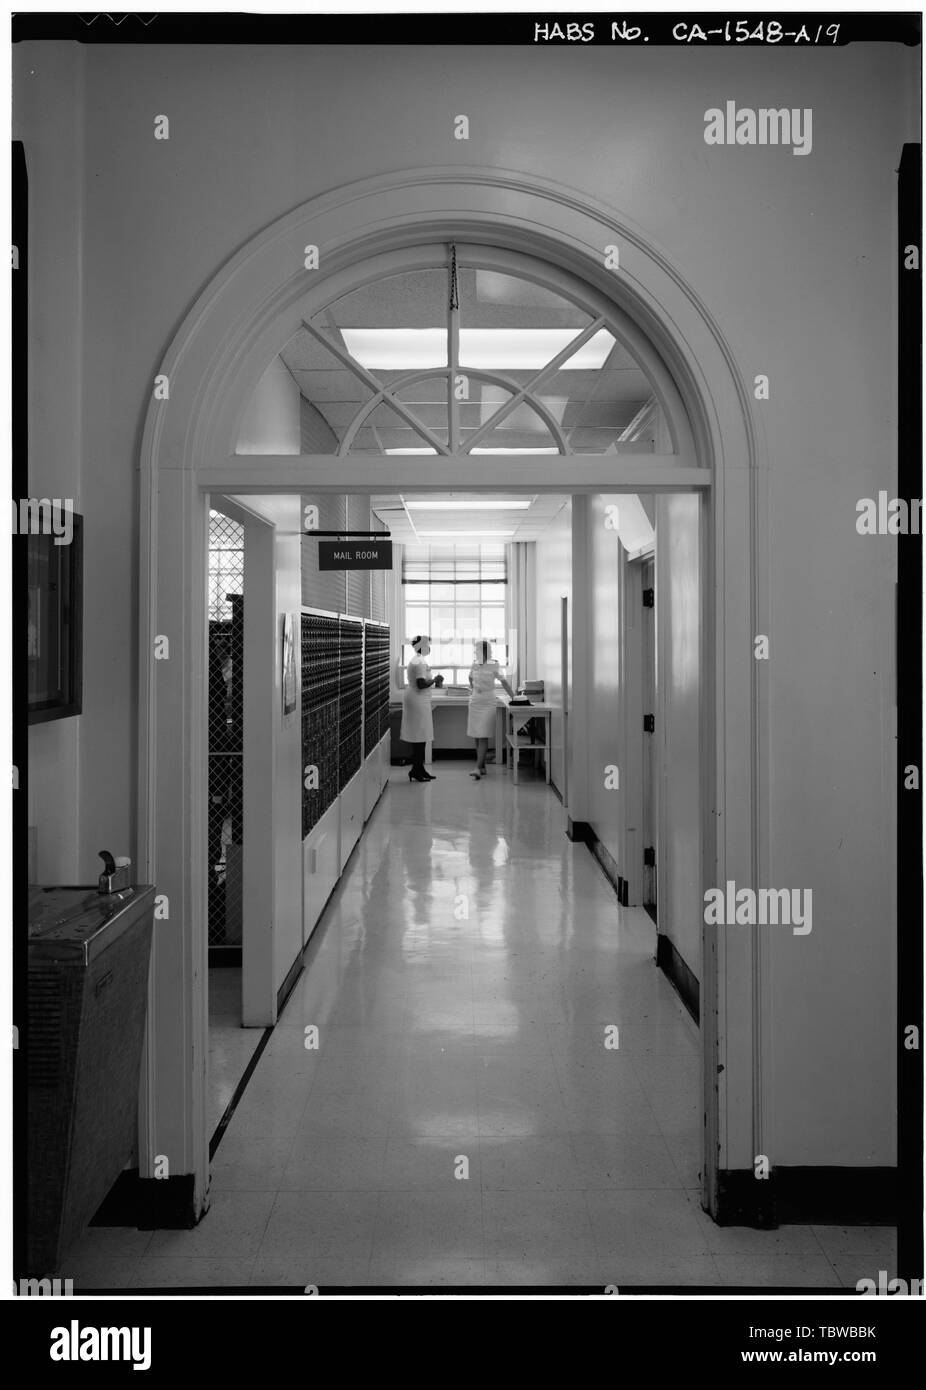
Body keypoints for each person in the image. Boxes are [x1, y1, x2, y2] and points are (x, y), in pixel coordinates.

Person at [467, 639, 514, 778]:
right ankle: (482, 766)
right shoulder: (474, 664)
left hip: (488, 703)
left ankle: (477, 767)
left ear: (485, 651)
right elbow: (470, 678)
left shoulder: (494, 664)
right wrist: (473, 688)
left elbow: (504, 682)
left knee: (483, 735)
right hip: (475, 701)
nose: (476, 653)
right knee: (476, 734)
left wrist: (514, 697)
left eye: (478, 650)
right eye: (475, 651)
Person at [401, 635, 443, 782]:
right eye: (428, 645)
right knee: (419, 736)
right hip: (417, 699)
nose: (429, 647)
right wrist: (435, 680)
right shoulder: (418, 662)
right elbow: (420, 684)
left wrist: (432, 681)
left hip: (419, 699)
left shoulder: (419, 659)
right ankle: (416, 770)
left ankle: (419, 769)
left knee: (422, 735)